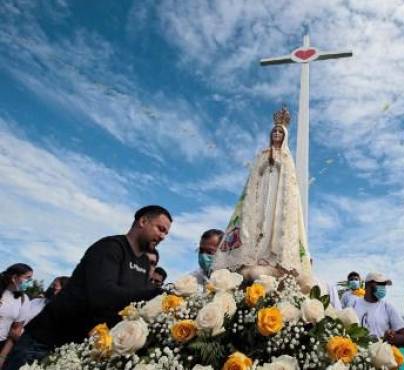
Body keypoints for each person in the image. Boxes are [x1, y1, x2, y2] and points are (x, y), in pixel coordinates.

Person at [5, 205, 172, 370]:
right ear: (143, 221)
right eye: (160, 229)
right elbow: (102, 295)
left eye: (166, 233)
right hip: (43, 342)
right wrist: (155, 293)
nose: (163, 236)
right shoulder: (110, 247)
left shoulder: (143, 263)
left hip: (77, 351)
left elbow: (133, 308)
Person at [213, 106, 311, 280]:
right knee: (259, 220)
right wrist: (266, 164)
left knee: (273, 222)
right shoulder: (263, 154)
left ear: (285, 136)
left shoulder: (287, 156)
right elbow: (254, 176)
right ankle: (257, 253)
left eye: (280, 133)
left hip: (278, 195)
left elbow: (290, 182)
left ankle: (273, 256)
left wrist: (279, 163)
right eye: (274, 132)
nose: (276, 135)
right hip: (263, 190)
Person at [350, 272, 404, 345]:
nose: (383, 288)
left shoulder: (387, 307)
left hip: (382, 354)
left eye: (384, 285)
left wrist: (392, 337)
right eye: (380, 284)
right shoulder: (354, 304)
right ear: (367, 285)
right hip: (358, 354)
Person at [0, 264, 33, 369]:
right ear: (14, 278)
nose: (30, 282)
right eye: (27, 278)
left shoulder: (23, 300)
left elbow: (16, 330)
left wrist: (2, 357)